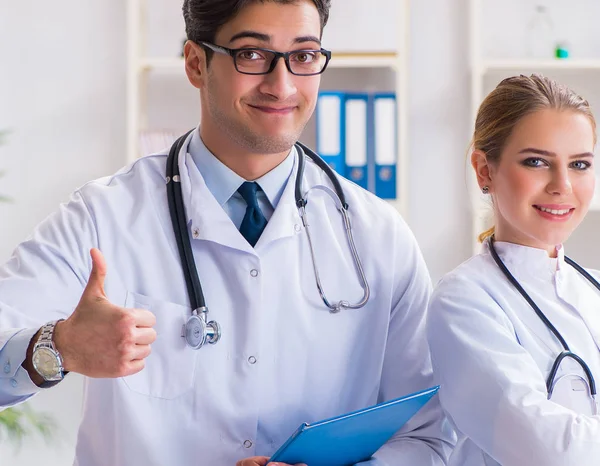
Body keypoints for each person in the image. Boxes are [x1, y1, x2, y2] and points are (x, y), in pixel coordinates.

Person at [0, 1, 454, 464]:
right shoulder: (102, 216)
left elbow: (427, 437)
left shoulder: (377, 236)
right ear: (196, 63)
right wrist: (58, 346)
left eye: (303, 55)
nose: (282, 85)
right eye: (252, 55)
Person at [427, 73, 600, 466]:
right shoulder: (463, 301)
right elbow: (550, 451)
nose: (562, 185)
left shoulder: (593, 289)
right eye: (537, 162)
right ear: (484, 170)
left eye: (579, 164)